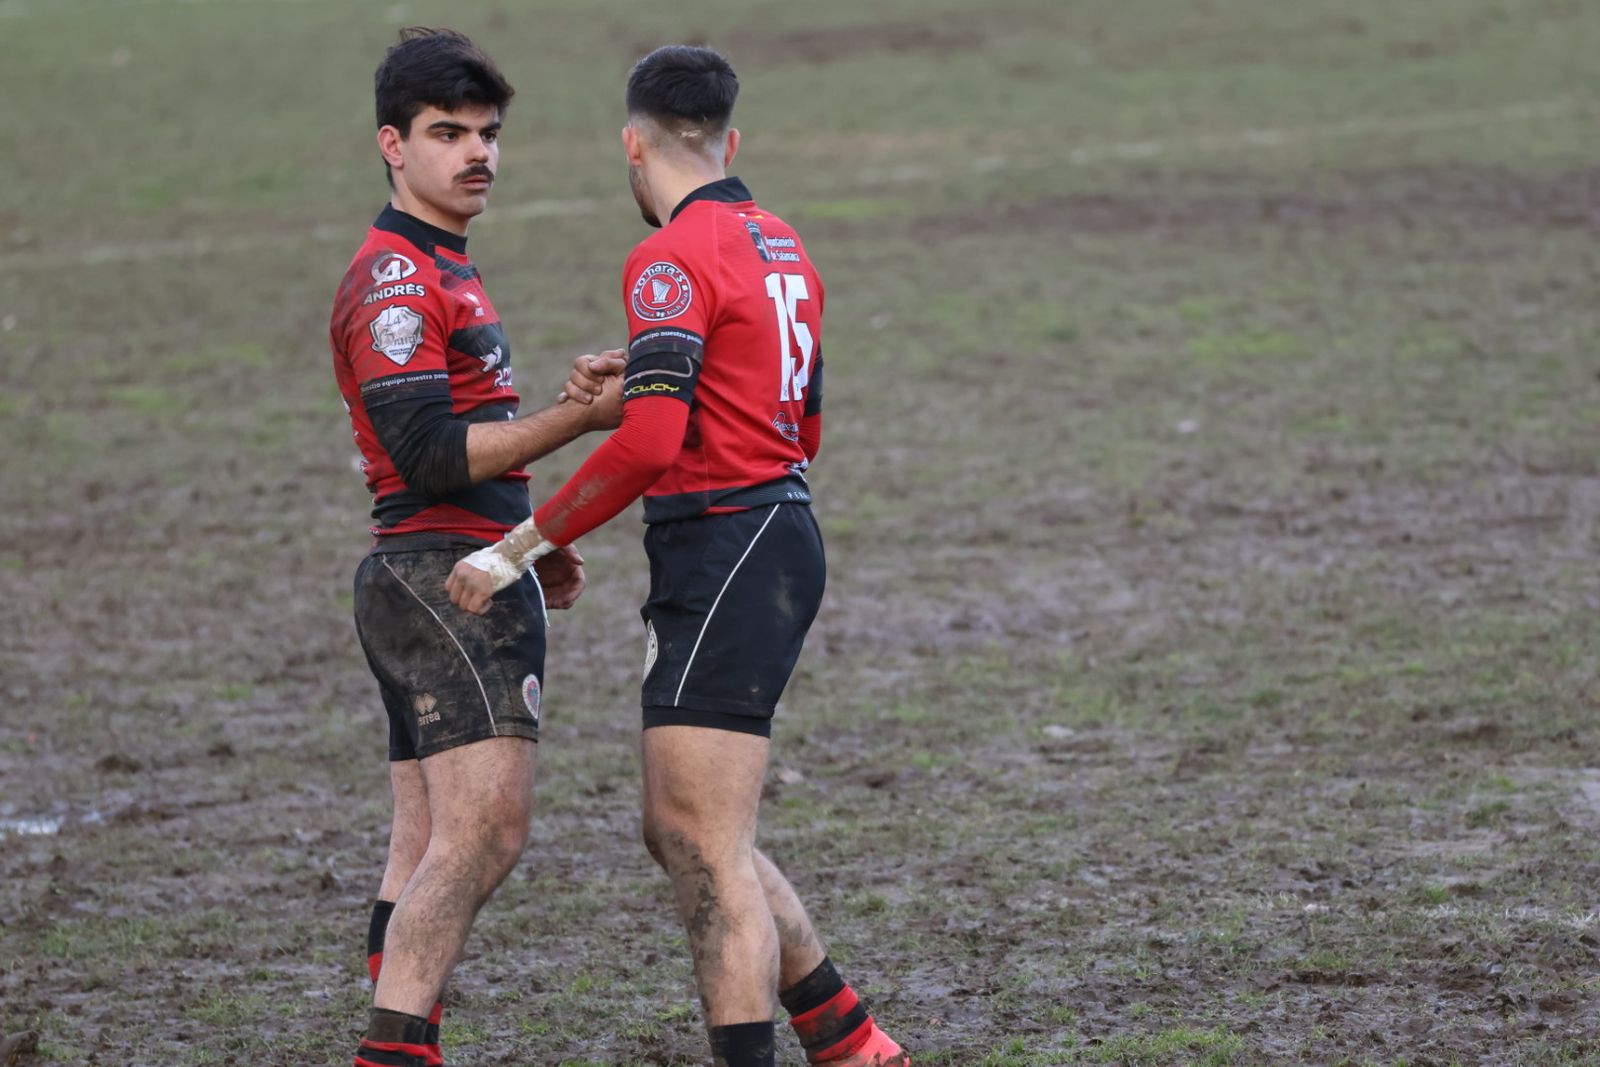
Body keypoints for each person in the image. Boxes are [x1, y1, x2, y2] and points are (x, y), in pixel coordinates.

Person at [446, 45, 909, 1067]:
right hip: (770, 532)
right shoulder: (784, 244)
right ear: (730, 141)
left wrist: (517, 547)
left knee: (701, 839)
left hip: (729, 543)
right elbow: (799, 422)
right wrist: (661, 381)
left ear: (631, 143)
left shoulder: (667, 255)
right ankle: (850, 1040)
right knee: (684, 826)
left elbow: (652, 441)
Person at [328, 28, 621, 1067]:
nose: (476, 154)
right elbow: (427, 451)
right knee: (482, 837)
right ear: (390, 145)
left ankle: (401, 1037)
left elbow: (464, 441)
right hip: (440, 581)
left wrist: (531, 539)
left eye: (487, 134)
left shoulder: (446, 263)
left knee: (421, 842)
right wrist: (577, 423)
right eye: (447, 133)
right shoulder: (400, 283)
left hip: (447, 566)